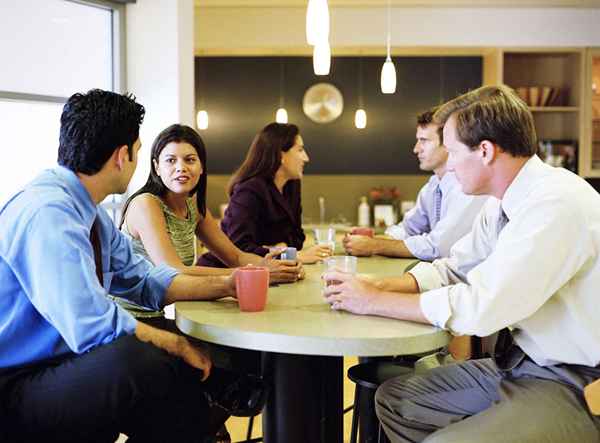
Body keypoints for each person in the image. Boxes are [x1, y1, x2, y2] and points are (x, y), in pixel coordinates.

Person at [323, 85, 600, 442]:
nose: (449, 165)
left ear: (484, 151)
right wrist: (374, 286)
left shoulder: (556, 205)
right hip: (518, 367)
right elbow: (453, 267)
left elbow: (482, 307)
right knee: (396, 400)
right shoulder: (502, 202)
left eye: (452, 151)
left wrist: (372, 302)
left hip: (573, 380)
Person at [0, 89, 256, 443]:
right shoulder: (48, 213)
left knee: (173, 382)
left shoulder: (89, 213)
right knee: (142, 361)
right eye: (139, 152)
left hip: (56, 366)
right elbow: (91, 324)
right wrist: (176, 345)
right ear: (123, 156)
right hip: (16, 383)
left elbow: (146, 280)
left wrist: (230, 284)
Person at [117, 123, 302, 320]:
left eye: (190, 160)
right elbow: (172, 270)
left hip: (157, 315)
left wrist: (279, 268)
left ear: (202, 166)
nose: (181, 168)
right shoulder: (146, 204)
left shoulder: (194, 206)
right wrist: (253, 274)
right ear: (157, 167)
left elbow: (236, 257)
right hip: (126, 320)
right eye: (171, 160)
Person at [343, 108, 487, 261]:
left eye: (424, 140)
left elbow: (438, 247)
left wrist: (375, 245)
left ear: (448, 142)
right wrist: (370, 239)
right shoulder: (432, 187)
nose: (416, 149)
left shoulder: (467, 187)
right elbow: (408, 229)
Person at [199, 122, 331, 267]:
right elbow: (240, 248)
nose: (306, 158)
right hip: (224, 271)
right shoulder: (249, 190)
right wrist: (288, 253)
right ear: (281, 155)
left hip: (269, 270)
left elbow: (298, 237)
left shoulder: (291, 185)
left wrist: (279, 249)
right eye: (300, 150)